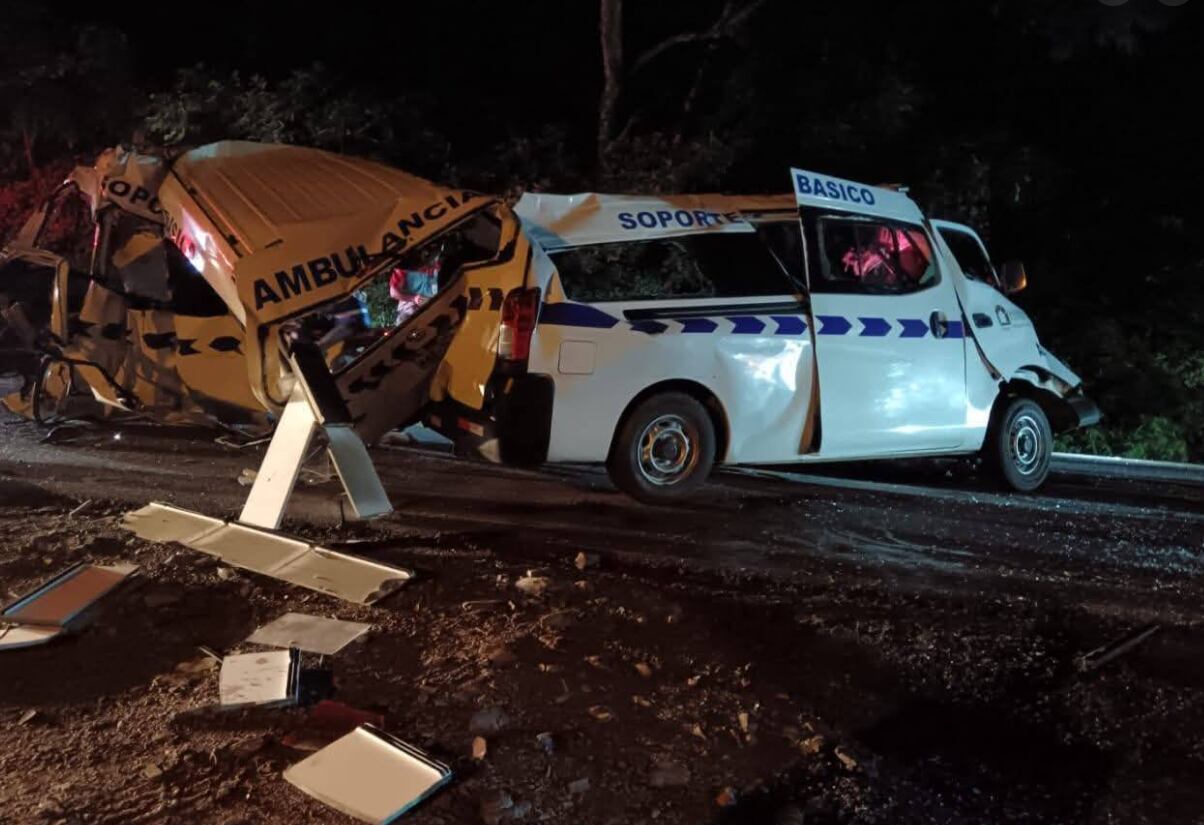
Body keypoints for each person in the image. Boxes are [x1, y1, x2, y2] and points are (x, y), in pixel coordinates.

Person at [389, 244, 442, 324]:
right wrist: (413, 298)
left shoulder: (435, 266)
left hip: (430, 309)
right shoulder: (403, 271)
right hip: (408, 312)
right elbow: (393, 293)